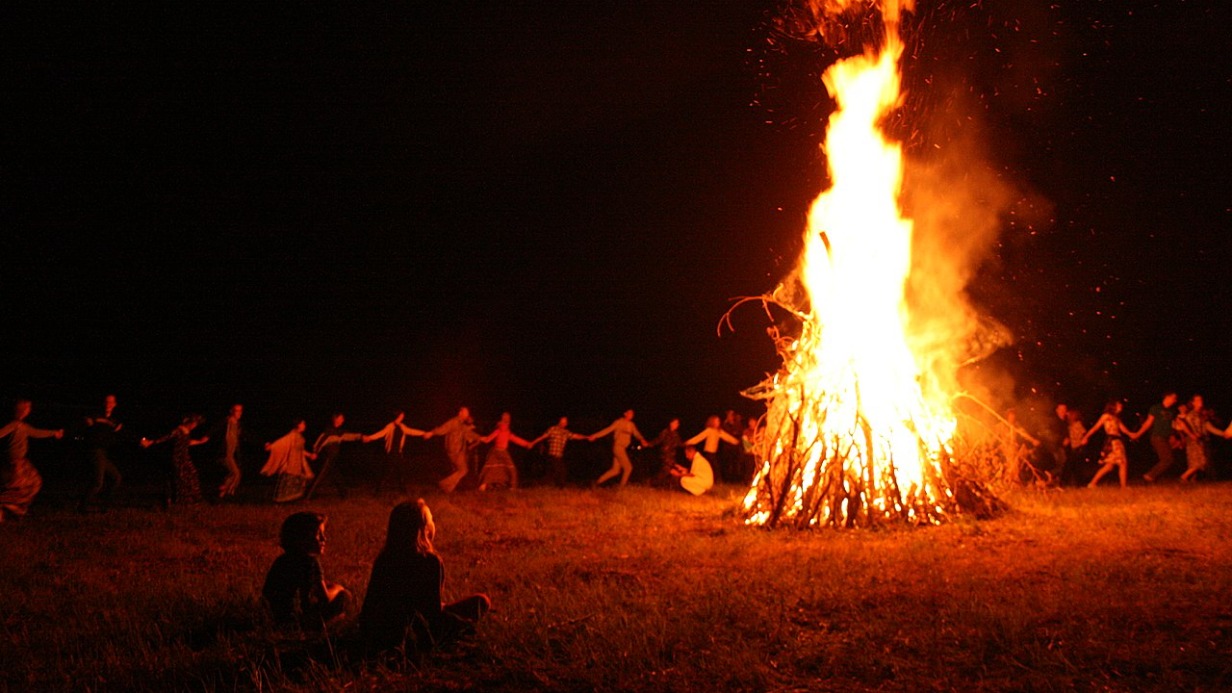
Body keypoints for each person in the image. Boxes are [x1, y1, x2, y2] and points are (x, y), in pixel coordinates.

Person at [359, 499, 490, 654]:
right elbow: (431, 614)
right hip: (413, 632)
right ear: (424, 530)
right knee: (481, 602)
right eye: (431, 520)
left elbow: (370, 605)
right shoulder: (430, 561)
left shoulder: (384, 558)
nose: (434, 524)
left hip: (377, 631)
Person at [262, 511, 351, 632]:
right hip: (299, 620)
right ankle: (324, 627)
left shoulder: (282, 560)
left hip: (277, 619)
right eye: (318, 534)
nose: (324, 538)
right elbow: (324, 598)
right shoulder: (310, 562)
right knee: (344, 596)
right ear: (303, 537)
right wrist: (338, 588)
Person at [0, 399, 64, 522]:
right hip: (14, 462)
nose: (30, 410)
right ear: (23, 409)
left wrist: (53, 433)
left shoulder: (23, 425)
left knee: (35, 482)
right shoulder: (15, 424)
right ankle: (6, 507)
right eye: (28, 407)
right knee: (18, 488)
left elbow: (36, 433)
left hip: (22, 461)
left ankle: (17, 509)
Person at [142, 414, 208, 507]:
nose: (194, 426)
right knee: (182, 477)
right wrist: (152, 442)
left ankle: (192, 498)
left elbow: (187, 442)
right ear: (189, 422)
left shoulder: (187, 432)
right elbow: (166, 437)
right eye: (194, 423)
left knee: (192, 474)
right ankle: (181, 499)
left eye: (196, 424)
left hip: (185, 456)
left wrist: (200, 442)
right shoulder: (178, 430)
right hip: (178, 457)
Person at [79, 393, 123, 513]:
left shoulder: (114, 420)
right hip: (95, 450)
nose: (109, 404)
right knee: (98, 482)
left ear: (115, 404)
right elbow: (86, 421)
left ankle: (104, 504)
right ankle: (83, 507)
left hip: (104, 452)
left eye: (111, 402)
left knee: (116, 478)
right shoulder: (95, 415)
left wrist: (142, 440)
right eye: (107, 402)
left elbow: (121, 431)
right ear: (104, 403)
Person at [365, 411, 427, 495]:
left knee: (401, 471)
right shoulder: (390, 426)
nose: (402, 417)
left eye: (403, 416)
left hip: (398, 453)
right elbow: (381, 433)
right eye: (401, 416)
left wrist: (423, 433)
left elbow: (411, 431)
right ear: (397, 416)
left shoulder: (402, 426)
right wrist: (370, 438)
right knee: (386, 472)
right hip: (391, 453)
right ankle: (378, 491)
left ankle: (403, 490)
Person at [306, 412, 364, 500]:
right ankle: (308, 496)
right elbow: (319, 442)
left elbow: (349, 436)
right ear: (335, 419)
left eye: (343, 419)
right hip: (327, 458)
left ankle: (344, 494)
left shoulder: (339, 432)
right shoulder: (329, 431)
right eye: (341, 418)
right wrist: (315, 452)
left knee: (337, 476)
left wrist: (361, 436)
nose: (343, 420)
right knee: (319, 477)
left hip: (332, 458)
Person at [260, 420, 318, 503]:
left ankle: (295, 498)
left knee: (303, 479)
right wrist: (272, 446)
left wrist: (309, 455)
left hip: (298, 463)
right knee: (289, 481)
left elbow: (300, 450)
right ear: (298, 425)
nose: (304, 425)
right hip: (291, 463)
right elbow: (282, 443)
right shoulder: (292, 436)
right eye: (303, 423)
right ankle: (282, 499)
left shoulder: (299, 437)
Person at [589, 409, 649, 487]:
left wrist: (642, 439)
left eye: (632, 414)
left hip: (622, 448)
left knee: (615, 470)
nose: (631, 415)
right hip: (618, 447)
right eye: (629, 413)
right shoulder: (619, 422)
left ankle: (597, 482)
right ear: (625, 413)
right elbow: (607, 430)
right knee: (628, 468)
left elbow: (636, 433)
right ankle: (621, 488)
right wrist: (595, 435)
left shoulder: (631, 425)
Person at [1176, 395, 1229, 483]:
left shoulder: (1202, 415)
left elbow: (1209, 427)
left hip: (1202, 440)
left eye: (1201, 399)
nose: (1200, 401)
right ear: (1193, 403)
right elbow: (1184, 426)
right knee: (1200, 461)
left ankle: (1192, 479)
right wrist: (1192, 435)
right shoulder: (1190, 414)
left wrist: (1223, 434)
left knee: (1199, 461)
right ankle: (1183, 477)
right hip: (1193, 440)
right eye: (1197, 400)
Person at [1081, 400, 1133, 489]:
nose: (1121, 406)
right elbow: (1095, 427)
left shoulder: (1116, 418)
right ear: (1113, 406)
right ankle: (1123, 486)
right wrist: (1086, 437)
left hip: (1117, 441)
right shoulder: (1106, 416)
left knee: (1109, 466)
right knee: (1122, 463)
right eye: (1118, 405)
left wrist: (1133, 434)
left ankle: (1092, 483)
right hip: (1112, 442)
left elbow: (1124, 430)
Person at [428, 407, 480, 493]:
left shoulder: (461, 424)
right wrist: (432, 433)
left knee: (459, 470)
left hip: (458, 450)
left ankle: (448, 489)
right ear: (460, 413)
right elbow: (443, 429)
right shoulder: (454, 422)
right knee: (463, 470)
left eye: (468, 413)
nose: (467, 414)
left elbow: (467, 433)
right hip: (454, 450)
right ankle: (443, 484)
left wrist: (480, 437)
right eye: (466, 412)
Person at [477, 412, 532, 491]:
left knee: (492, 469)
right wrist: (527, 444)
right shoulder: (502, 431)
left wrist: (526, 444)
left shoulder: (501, 431)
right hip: (500, 452)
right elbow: (516, 440)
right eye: (508, 419)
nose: (508, 421)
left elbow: (487, 440)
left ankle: (487, 486)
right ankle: (512, 487)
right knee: (509, 469)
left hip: (497, 452)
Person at [530, 417, 586, 488]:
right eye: (562, 422)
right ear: (559, 422)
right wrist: (532, 443)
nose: (563, 424)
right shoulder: (553, 429)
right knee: (561, 470)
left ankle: (542, 484)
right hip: (552, 455)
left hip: (559, 455)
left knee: (553, 472)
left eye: (565, 422)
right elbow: (542, 437)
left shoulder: (565, 432)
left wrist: (587, 437)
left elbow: (576, 436)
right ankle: (560, 487)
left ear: (566, 424)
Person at [1136, 392, 1179, 483]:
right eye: (1174, 398)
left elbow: (1172, 424)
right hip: (1157, 436)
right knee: (1168, 459)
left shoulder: (1172, 411)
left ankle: (1151, 476)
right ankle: (1150, 475)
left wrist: (1173, 436)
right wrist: (1138, 434)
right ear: (1167, 397)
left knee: (1168, 459)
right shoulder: (1156, 408)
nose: (1175, 400)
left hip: (1166, 437)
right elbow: (1148, 423)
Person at [686, 416, 739, 482]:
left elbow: (727, 437)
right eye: (717, 421)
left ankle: (716, 480)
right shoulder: (709, 430)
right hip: (708, 453)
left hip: (713, 453)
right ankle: (717, 480)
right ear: (712, 422)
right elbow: (699, 437)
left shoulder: (719, 431)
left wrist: (735, 441)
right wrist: (689, 442)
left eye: (719, 421)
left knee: (714, 467)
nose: (718, 422)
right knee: (714, 467)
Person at [212, 404, 247, 499]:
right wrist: (206, 436)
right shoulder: (226, 422)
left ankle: (221, 494)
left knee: (233, 474)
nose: (239, 413)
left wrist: (263, 443)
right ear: (231, 411)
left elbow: (246, 435)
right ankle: (226, 490)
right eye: (237, 411)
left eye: (240, 411)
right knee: (236, 474)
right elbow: (215, 429)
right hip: (225, 454)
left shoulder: (238, 425)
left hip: (233, 455)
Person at [647, 418, 683, 488]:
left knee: (671, 471)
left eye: (678, 423)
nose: (677, 425)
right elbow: (658, 440)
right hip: (665, 455)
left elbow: (680, 444)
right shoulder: (665, 432)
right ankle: (653, 483)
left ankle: (665, 485)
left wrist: (688, 444)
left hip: (672, 456)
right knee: (666, 470)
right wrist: (649, 444)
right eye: (676, 423)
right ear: (671, 423)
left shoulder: (676, 435)